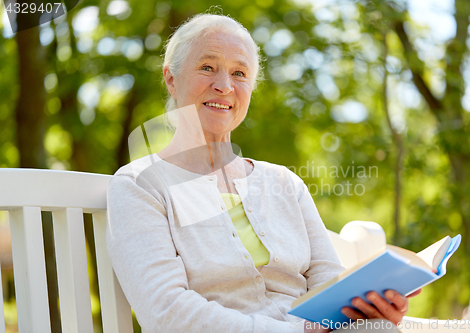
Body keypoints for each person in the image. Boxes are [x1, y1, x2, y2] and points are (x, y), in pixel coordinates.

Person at [106, 13, 420, 333]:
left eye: (239, 73)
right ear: (171, 78)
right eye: (207, 67)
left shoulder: (284, 182)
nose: (224, 86)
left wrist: (370, 309)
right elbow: (166, 312)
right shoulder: (140, 186)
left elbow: (327, 280)